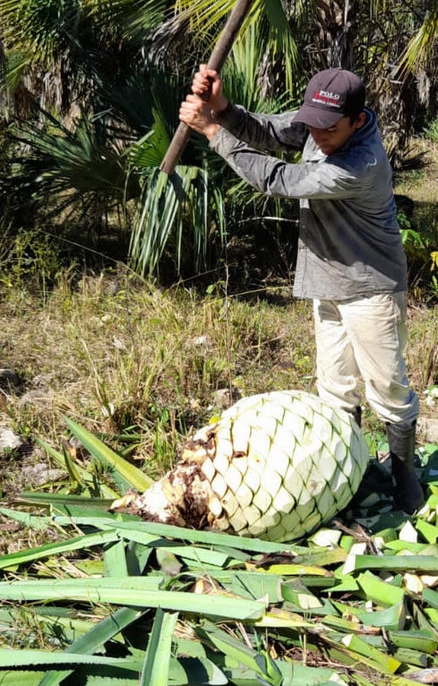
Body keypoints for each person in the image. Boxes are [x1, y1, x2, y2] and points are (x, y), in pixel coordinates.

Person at [179, 65, 423, 513]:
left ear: (357, 119)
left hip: (370, 286)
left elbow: (279, 179)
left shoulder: (360, 164)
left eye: (329, 127)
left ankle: (406, 476)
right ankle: (353, 469)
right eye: (313, 122)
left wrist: (213, 131)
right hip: (326, 280)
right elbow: (273, 132)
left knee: (387, 388)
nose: (317, 133)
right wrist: (224, 108)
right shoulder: (322, 122)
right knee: (335, 389)